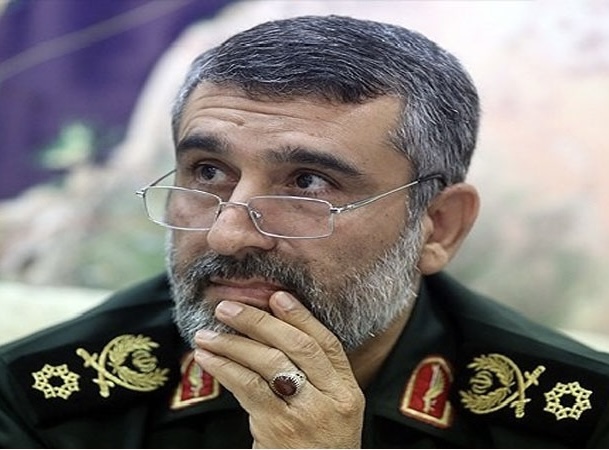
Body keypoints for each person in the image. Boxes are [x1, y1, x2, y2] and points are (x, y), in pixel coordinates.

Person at [0, 14, 607, 448]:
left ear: (437, 226)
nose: (229, 235)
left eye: (308, 183)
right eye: (208, 172)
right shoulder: (40, 399)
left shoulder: (580, 417)